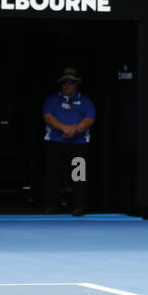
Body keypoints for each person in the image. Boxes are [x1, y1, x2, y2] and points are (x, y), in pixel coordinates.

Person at [42, 68, 95, 216]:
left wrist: (75, 130)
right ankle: (52, 205)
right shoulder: (52, 99)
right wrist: (64, 128)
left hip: (79, 144)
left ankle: (79, 206)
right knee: (53, 174)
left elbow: (89, 118)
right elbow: (48, 117)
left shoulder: (85, 100)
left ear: (76, 84)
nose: (67, 85)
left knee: (79, 175)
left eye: (71, 82)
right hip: (55, 142)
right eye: (64, 82)